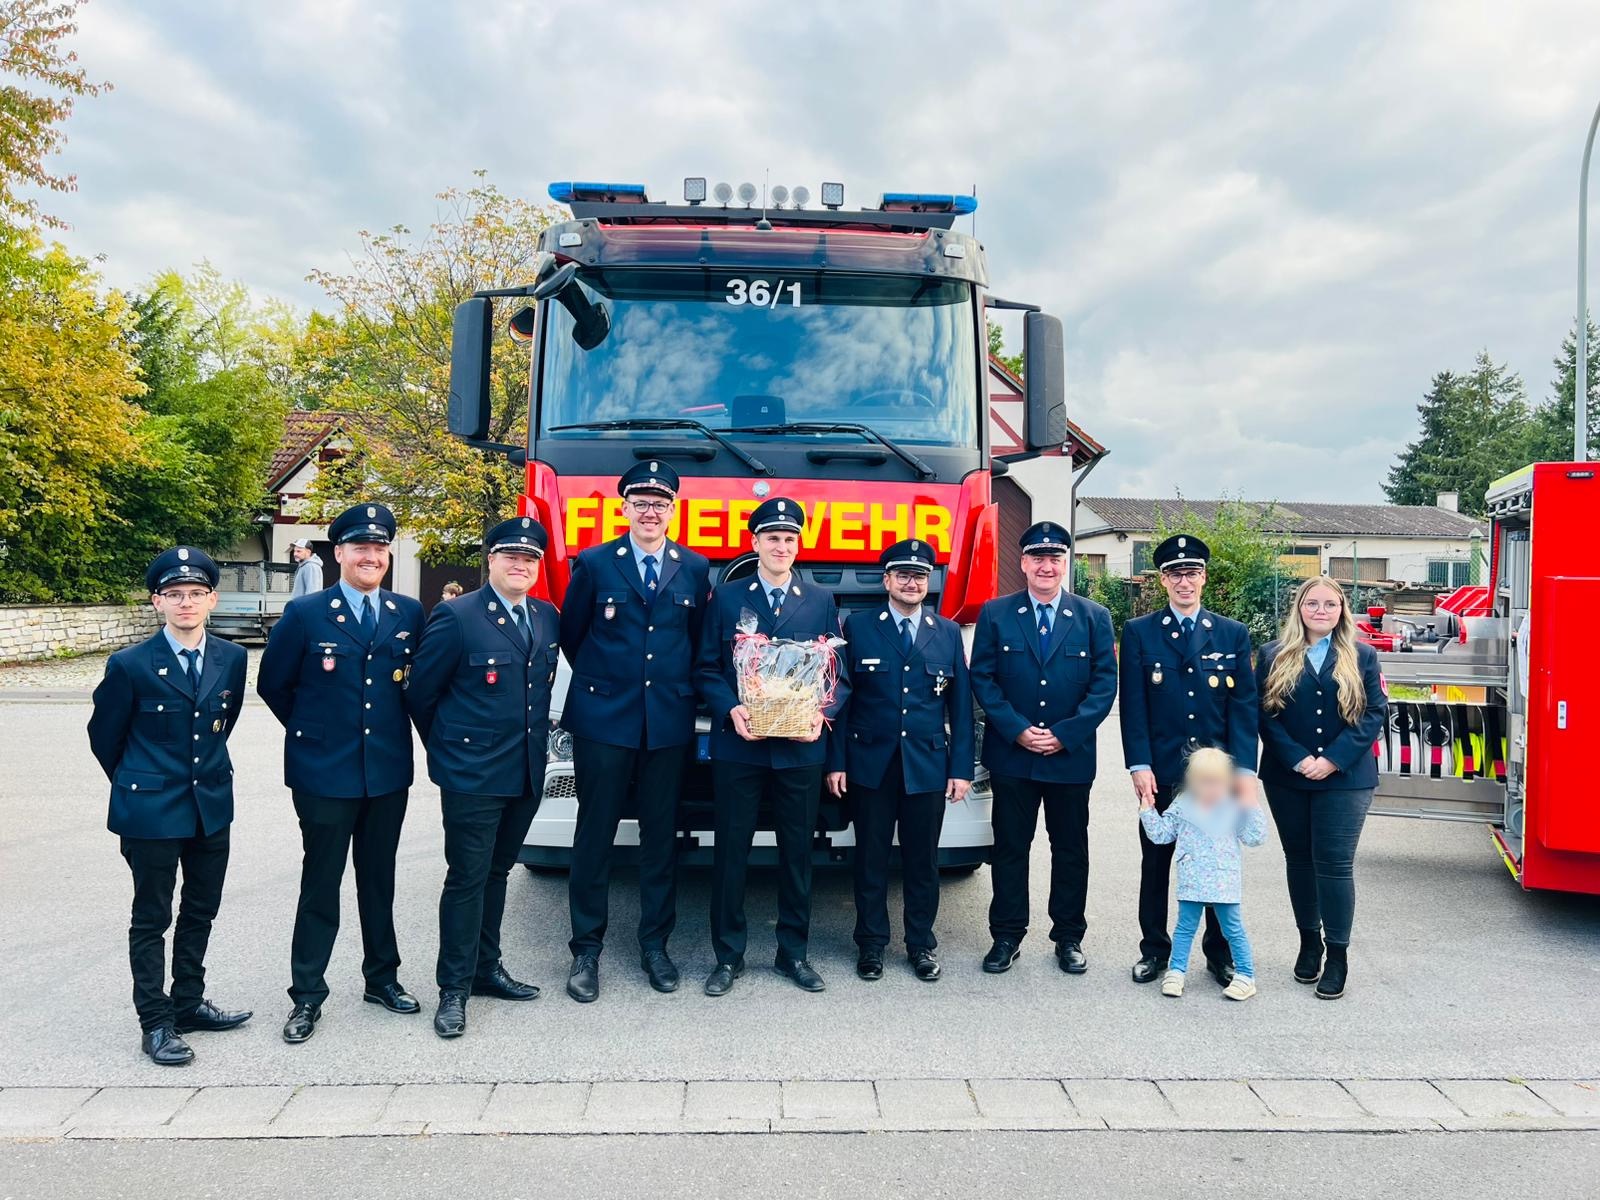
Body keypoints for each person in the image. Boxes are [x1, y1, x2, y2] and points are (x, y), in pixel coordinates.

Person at [257, 503, 425, 1044]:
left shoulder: (407, 612)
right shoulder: (306, 613)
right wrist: (319, 734)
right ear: (338, 554)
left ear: (389, 554)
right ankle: (307, 996)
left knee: (379, 881)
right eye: (359, 548)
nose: (370, 556)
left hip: (386, 773)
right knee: (320, 884)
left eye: (379, 548)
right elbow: (274, 686)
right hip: (324, 774)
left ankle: (382, 979)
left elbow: (411, 686)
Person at [86, 547, 252, 1066]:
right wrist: (143, 782)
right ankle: (155, 1022)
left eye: (196, 594)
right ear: (158, 602)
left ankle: (188, 1002)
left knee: (201, 909)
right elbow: (105, 739)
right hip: (151, 813)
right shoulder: (130, 664)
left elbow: (223, 724)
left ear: (212, 600)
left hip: (210, 806)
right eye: (175, 595)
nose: (186, 603)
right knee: (152, 917)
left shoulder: (232, 658)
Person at [559, 461, 711, 1003]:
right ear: (624, 507)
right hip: (604, 720)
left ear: (673, 509)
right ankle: (586, 949)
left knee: (659, 838)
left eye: (660, 502)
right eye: (641, 501)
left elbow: (697, 644)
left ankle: (655, 945)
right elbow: (572, 636)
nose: (650, 511)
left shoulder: (694, 568)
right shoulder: (597, 563)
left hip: (667, 722)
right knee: (594, 833)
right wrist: (611, 685)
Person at [405, 516, 560, 1038]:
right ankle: (453, 989)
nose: (522, 564)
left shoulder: (546, 615)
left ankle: (485, 968)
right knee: (467, 878)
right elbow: (422, 695)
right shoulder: (456, 616)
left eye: (531, 558)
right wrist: (451, 753)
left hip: (525, 771)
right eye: (511, 555)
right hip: (472, 774)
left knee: (498, 875)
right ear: (490, 560)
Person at [694, 497, 848, 996]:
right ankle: (728, 956)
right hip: (740, 745)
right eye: (772, 538)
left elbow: (836, 673)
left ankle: (793, 953)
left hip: (800, 747)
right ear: (755, 543)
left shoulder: (820, 599)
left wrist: (821, 716)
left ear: (798, 544)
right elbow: (706, 668)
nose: (781, 546)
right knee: (731, 851)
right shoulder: (727, 596)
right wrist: (729, 708)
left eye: (789, 538)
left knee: (797, 853)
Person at [968, 521, 1117, 976]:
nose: (1046, 566)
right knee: (1011, 848)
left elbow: (1104, 684)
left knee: (1070, 850)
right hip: (1013, 755)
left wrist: (1066, 733)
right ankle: (1007, 936)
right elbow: (983, 679)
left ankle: (1068, 937)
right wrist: (1015, 729)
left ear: (1064, 563)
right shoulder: (996, 613)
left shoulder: (1093, 616)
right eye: (1038, 558)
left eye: (1054, 558)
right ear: (1024, 563)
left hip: (1069, 758)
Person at [825, 538, 973, 982]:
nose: (912, 582)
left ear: (929, 583)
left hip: (926, 765)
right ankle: (870, 945)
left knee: (922, 861)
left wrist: (961, 768)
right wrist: (838, 763)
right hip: (871, 764)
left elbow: (960, 706)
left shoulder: (945, 631)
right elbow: (840, 699)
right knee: (869, 858)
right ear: (886, 580)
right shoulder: (858, 627)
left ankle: (920, 945)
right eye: (903, 574)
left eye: (920, 576)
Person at [1119, 533, 1259, 988]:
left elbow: (1242, 709)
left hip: (1216, 778)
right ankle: (1155, 951)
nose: (1185, 581)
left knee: (1217, 863)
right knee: (1156, 860)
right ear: (1162, 580)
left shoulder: (1231, 634)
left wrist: (1244, 773)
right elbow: (1134, 707)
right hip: (1161, 770)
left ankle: (1218, 955)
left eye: (1192, 572)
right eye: (1175, 573)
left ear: (1203, 578)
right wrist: (1138, 765)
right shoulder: (1140, 632)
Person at [1255, 576, 1387, 1000]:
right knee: (1299, 860)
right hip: (1287, 775)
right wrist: (1297, 757)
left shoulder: (1362, 655)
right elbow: (1263, 715)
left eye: (1330, 605)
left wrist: (1331, 759)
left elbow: (1374, 713)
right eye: (1312, 604)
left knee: (1333, 863)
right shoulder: (1273, 654)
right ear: (1299, 609)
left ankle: (1338, 956)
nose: (1321, 611)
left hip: (1345, 779)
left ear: (1342, 610)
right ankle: (1308, 943)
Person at [1138, 747, 1267, 1001]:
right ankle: (1176, 971)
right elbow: (1162, 835)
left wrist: (1252, 804)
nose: (1211, 788)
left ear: (1228, 782)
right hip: (1192, 878)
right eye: (1204, 782)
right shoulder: (1182, 805)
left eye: (1217, 782)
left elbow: (1255, 837)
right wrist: (1147, 811)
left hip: (1223, 880)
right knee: (1185, 927)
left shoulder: (1233, 807)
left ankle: (1245, 975)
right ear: (1192, 781)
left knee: (1233, 928)